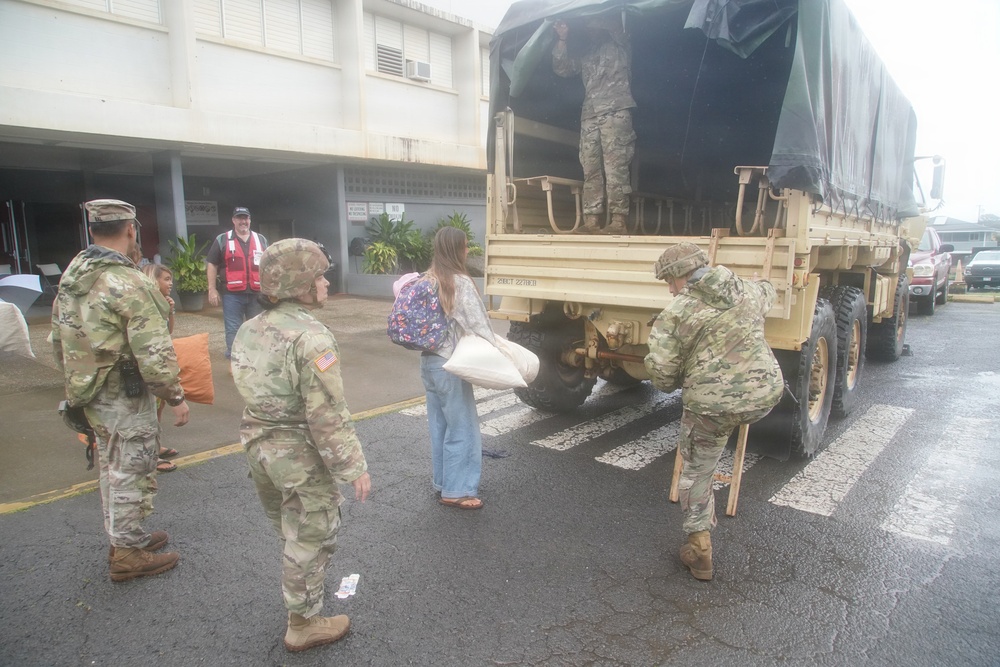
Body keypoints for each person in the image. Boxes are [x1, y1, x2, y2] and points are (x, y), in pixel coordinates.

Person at [231, 238, 371, 653]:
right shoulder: (312, 338)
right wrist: (354, 467)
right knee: (311, 534)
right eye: (320, 276)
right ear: (301, 285)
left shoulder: (249, 327)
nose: (326, 284)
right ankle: (303, 623)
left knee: (290, 530)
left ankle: (300, 597)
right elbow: (326, 414)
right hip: (298, 453)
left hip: (259, 445)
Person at [52, 198, 190, 582]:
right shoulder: (128, 281)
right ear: (131, 229)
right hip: (124, 392)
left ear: (92, 229)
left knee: (112, 466)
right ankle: (128, 554)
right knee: (133, 466)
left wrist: (77, 381)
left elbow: (57, 338)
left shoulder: (74, 275)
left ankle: (125, 537)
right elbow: (153, 349)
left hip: (90, 390)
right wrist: (174, 396)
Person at [643, 242, 783, 581]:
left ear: (680, 276)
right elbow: (770, 290)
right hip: (765, 395)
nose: (670, 289)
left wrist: (676, 372)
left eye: (669, 282)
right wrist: (762, 283)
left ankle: (700, 551)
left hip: (711, 405)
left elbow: (661, 377)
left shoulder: (677, 313)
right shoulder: (746, 291)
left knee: (696, 471)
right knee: (729, 422)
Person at [419, 226, 497, 510]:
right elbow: (478, 324)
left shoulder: (426, 279)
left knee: (440, 425)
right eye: (465, 246)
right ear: (456, 249)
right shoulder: (458, 282)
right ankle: (457, 490)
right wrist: (499, 350)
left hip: (428, 362)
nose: (467, 251)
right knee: (462, 427)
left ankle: (443, 483)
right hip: (451, 363)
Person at [552, 13, 637, 235]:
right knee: (590, 168)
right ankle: (592, 220)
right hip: (590, 115)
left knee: (616, 166)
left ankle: (618, 220)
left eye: (593, 24)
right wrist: (562, 38)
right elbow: (562, 68)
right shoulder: (586, 53)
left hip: (616, 111)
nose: (590, 29)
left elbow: (620, 28)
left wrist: (591, 16)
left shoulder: (620, 42)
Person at [206, 206, 268, 358]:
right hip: (232, 295)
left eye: (246, 218)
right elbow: (212, 264)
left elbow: (269, 264)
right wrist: (211, 289)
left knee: (258, 328)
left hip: (256, 293)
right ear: (233, 220)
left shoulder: (261, 240)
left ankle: (255, 360)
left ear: (250, 220)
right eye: (239, 218)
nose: (243, 221)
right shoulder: (222, 239)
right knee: (233, 329)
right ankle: (235, 362)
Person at [141, 263, 181, 473]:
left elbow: (169, 331)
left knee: (158, 408)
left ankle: (156, 446)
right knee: (148, 411)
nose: (170, 283)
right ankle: (151, 456)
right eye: (165, 279)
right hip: (150, 365)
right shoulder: (146, 304)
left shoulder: (162, 303)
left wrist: (170, 311)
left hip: (161, 363)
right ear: (153, 280)